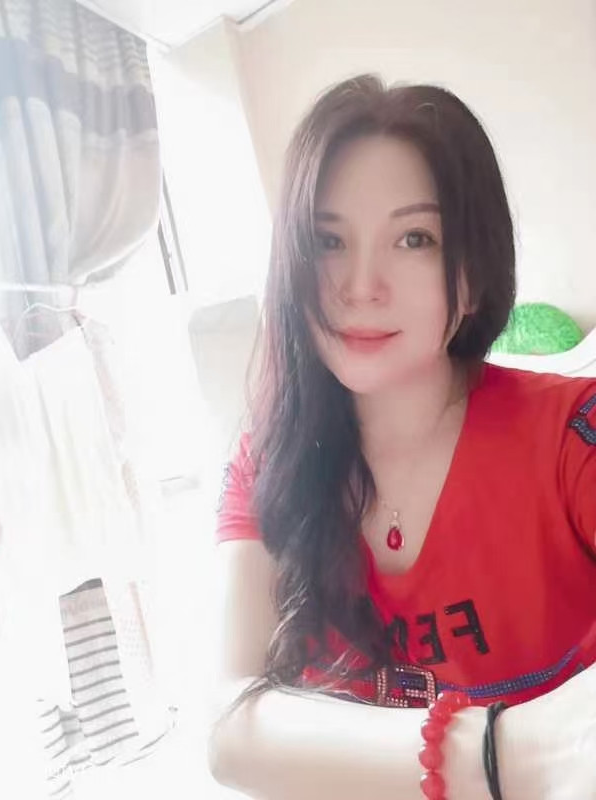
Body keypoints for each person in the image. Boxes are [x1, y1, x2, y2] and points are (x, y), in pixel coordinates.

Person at [207, 74, 596, 799]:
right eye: (328, 241)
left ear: (472, 274)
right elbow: (229, 729)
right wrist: (503, 754)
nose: (360, 285)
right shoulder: (267, 459)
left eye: (414, 238)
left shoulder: (573, 434)